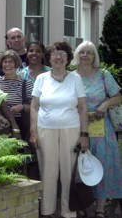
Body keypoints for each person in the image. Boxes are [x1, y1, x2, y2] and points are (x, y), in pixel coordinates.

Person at [29, 42, 89, 218]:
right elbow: (34, 106)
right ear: (48, 58)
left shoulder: (75, 78)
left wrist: (84, 135)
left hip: (71, 130)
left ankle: (68, 211)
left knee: (68, 172)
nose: (58, 57)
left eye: (62, 53)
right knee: (48, 171)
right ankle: (47, 211)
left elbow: (83, 108)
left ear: (68, 58)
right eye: (54, 54)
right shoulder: (41, 79)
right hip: (45, 130)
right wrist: (33, 132)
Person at [72, 41, 122, 218]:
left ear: (94, 57)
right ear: (77, 55)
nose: (85, 55)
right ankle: (81, 203)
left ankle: (100, 207)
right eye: (82, 52)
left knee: (102, 164)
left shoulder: (103, 75)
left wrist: (105, 104)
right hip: (76, 128)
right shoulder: (70, 77)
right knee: (79, 167)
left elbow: (118, 96)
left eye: (89, 53)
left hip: (102, 129)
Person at [0, 50, 33, 140]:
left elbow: (33, 106)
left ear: (16, 64)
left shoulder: (25, 83)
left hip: (19, 124)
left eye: (11, 62)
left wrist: (22, 106)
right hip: (0, 124)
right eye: (5, 62)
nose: (7, 65)